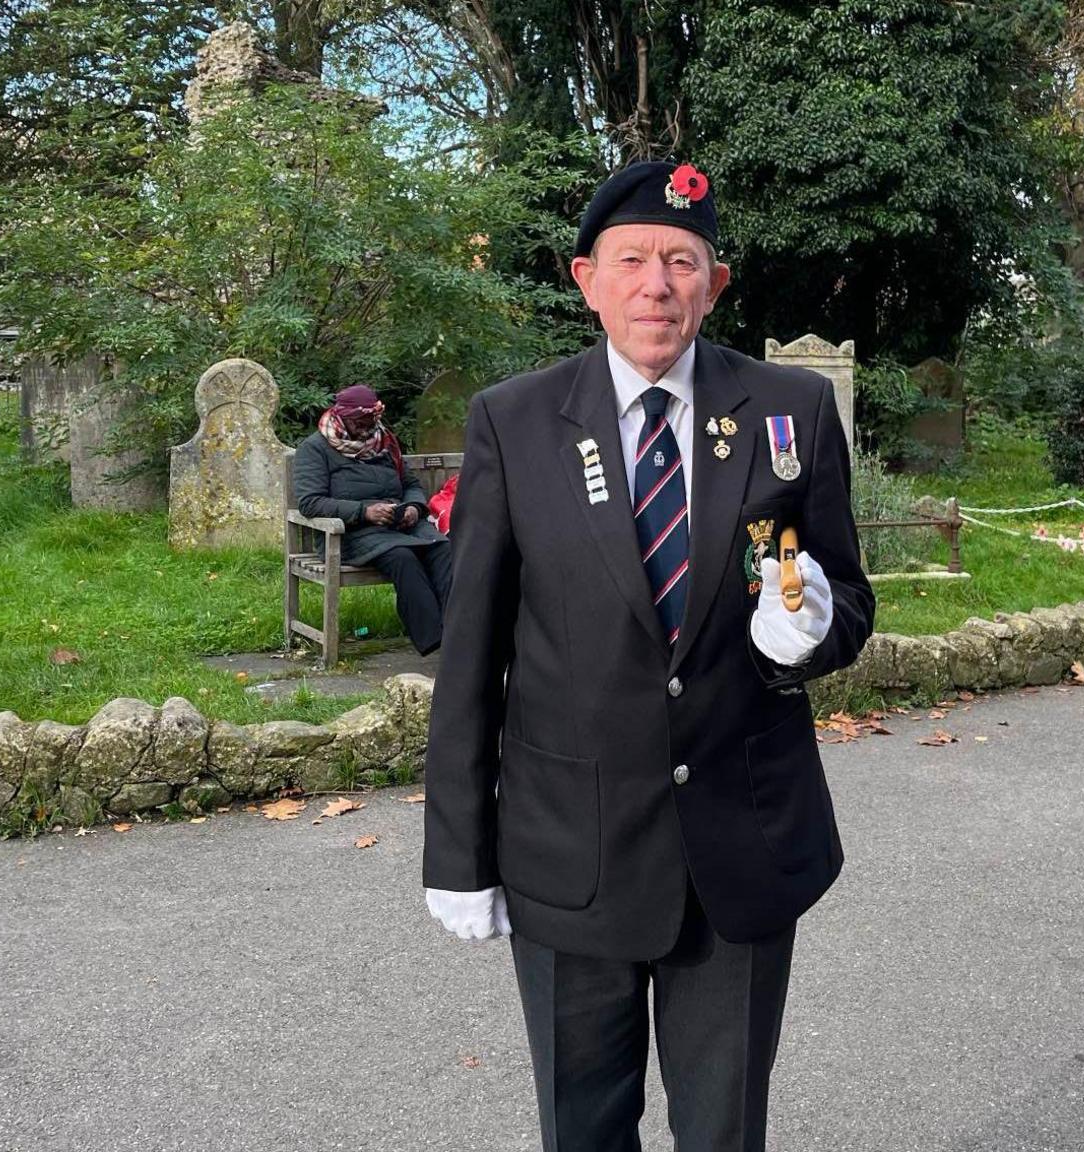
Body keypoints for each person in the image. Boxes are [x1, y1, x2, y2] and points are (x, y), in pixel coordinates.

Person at [420, 159, 874, 1152]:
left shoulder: (788, 407)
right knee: (582, 1130)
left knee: (721, 1133)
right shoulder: (516, 420)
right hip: (566, 851)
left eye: (681, 261)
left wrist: (806, 633)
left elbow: (842, 595)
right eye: (631, 260)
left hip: (740, 847)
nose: (655, 285)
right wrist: (457, 853)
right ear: (586, 279)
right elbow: (471, 658)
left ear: (715, 284)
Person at [291, 384, 453, 654]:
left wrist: (414, 507)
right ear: (341, 416)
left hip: (400, 525)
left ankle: (459, 632)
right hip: (351, 533)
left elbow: (410, 483)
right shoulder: (315, 448)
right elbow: (310, 502)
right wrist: (364, 511)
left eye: (371, 421)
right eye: (359, 422)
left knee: (444, 549)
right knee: (403, 557)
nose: (366, 428)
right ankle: (435, 641)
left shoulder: (386, 441)